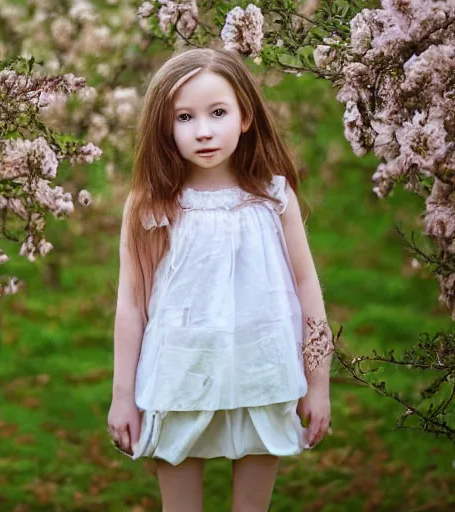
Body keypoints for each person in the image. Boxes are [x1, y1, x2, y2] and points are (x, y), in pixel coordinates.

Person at [107, 47, 335, 512]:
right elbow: (132, 305)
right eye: (185, 117)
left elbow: (307, 288)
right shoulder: (153, 205)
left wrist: (318, 382)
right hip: (179, 377)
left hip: (263, 374)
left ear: (245, 116)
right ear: (164, 127)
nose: (204, 131)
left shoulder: (273, 198)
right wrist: (123, 398)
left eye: (217, 112)